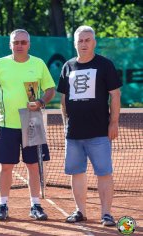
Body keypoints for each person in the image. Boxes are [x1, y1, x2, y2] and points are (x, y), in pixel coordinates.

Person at [0, 29, 55, 221]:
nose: (19, 45)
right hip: (6, 125)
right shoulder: (0, 64)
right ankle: (3, 205)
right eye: (16, 42)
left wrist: (41, 102)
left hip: (32, 122)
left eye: (23, 42)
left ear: (29, 44)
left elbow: (50, 89)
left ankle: (35, 205)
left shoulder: (39, 64)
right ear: (10, 44)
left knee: (33, 166)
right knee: (6, 166)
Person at [57, 26, 122, 226]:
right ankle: (80, 211)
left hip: (99, 132)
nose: (83, 44)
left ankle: (106, 214)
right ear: (75, 43)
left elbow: (115, 95)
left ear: (94, 42)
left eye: (87, 40)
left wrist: (113, 123)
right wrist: (66, 124)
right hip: (74, 133)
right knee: (77, 173)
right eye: (80, 41)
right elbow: (63, 100)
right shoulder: (67, 66)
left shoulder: (105, 65)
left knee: (104, 173)